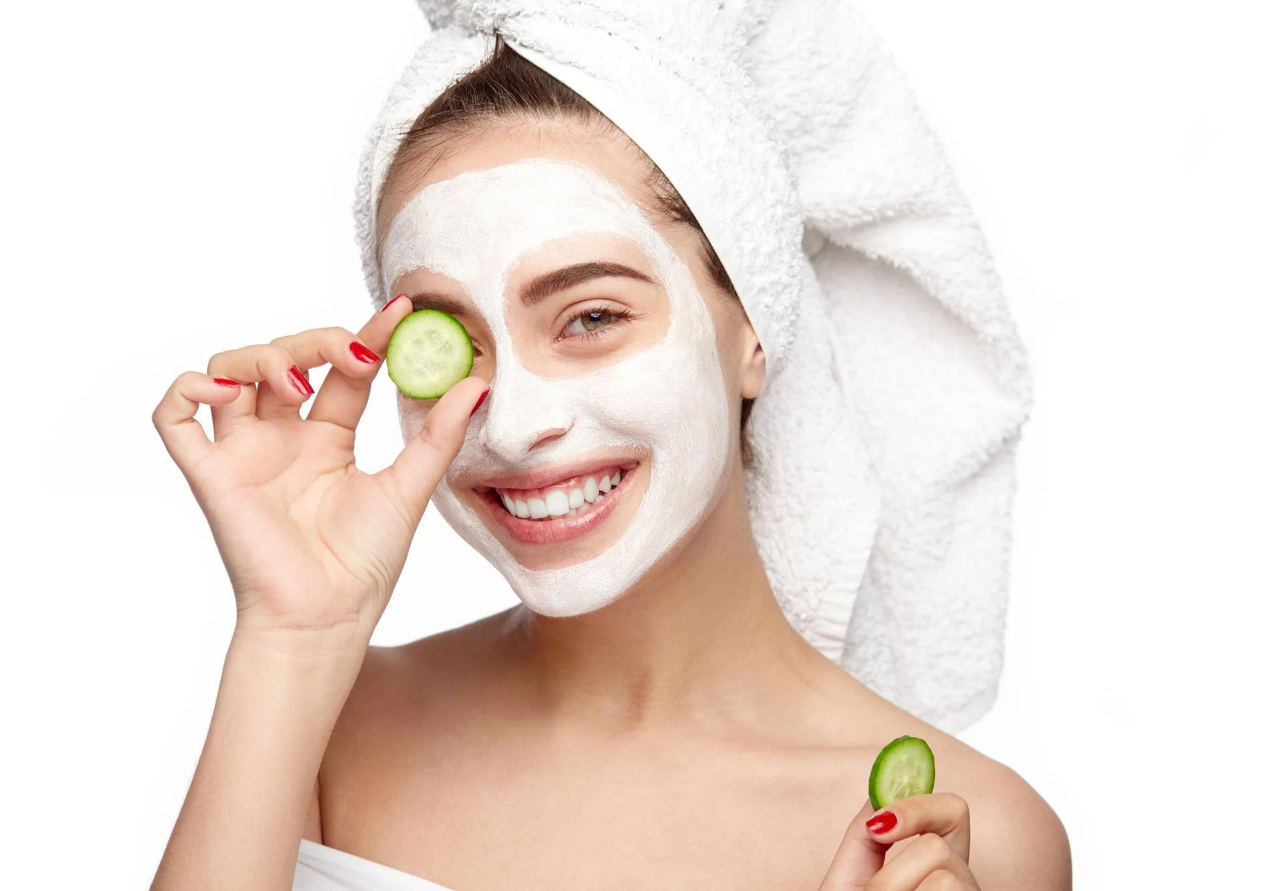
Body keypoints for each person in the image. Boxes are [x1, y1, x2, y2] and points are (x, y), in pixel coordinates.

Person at [150, 29, 1071, 891]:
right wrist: (291, 633)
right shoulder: (319, 727)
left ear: (753, 326)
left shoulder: (957, 834)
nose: (511, 425)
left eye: (590, 317)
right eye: (448, 340)